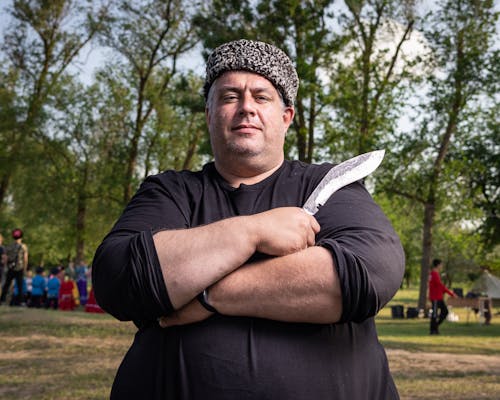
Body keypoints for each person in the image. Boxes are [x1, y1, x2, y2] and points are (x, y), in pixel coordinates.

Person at [92, 39, 405, 400]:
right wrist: (253, 232)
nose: (246, 108)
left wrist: (208, 295)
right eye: (228, 97)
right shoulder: (169, 192)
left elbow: (368, 273)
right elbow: (119, 277)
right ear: (209, 114)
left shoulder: (329, 185)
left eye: (261, 96)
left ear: (286, 116)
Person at [0, 229, 29, 306]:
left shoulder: (9, 246)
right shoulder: (23, 247)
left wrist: (6, 266)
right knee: (20, 285)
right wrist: (25, 269)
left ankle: (2, 300)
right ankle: (21, 301)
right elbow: (25, 259)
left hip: (11, 268)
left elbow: (6, 258)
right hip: (20, 268)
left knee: (7, 284)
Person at [428, 258, 457, 334]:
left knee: (445, 311)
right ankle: (433, 330)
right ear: (437, 265)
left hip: (438, 297)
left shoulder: (434, 274)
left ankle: (435, 327)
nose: (442, 266)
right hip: (435, 298)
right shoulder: (434, 274)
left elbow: (439, 287)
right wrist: (451, 294)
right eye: (441, 264)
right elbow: (440, 286)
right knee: (435, 314)